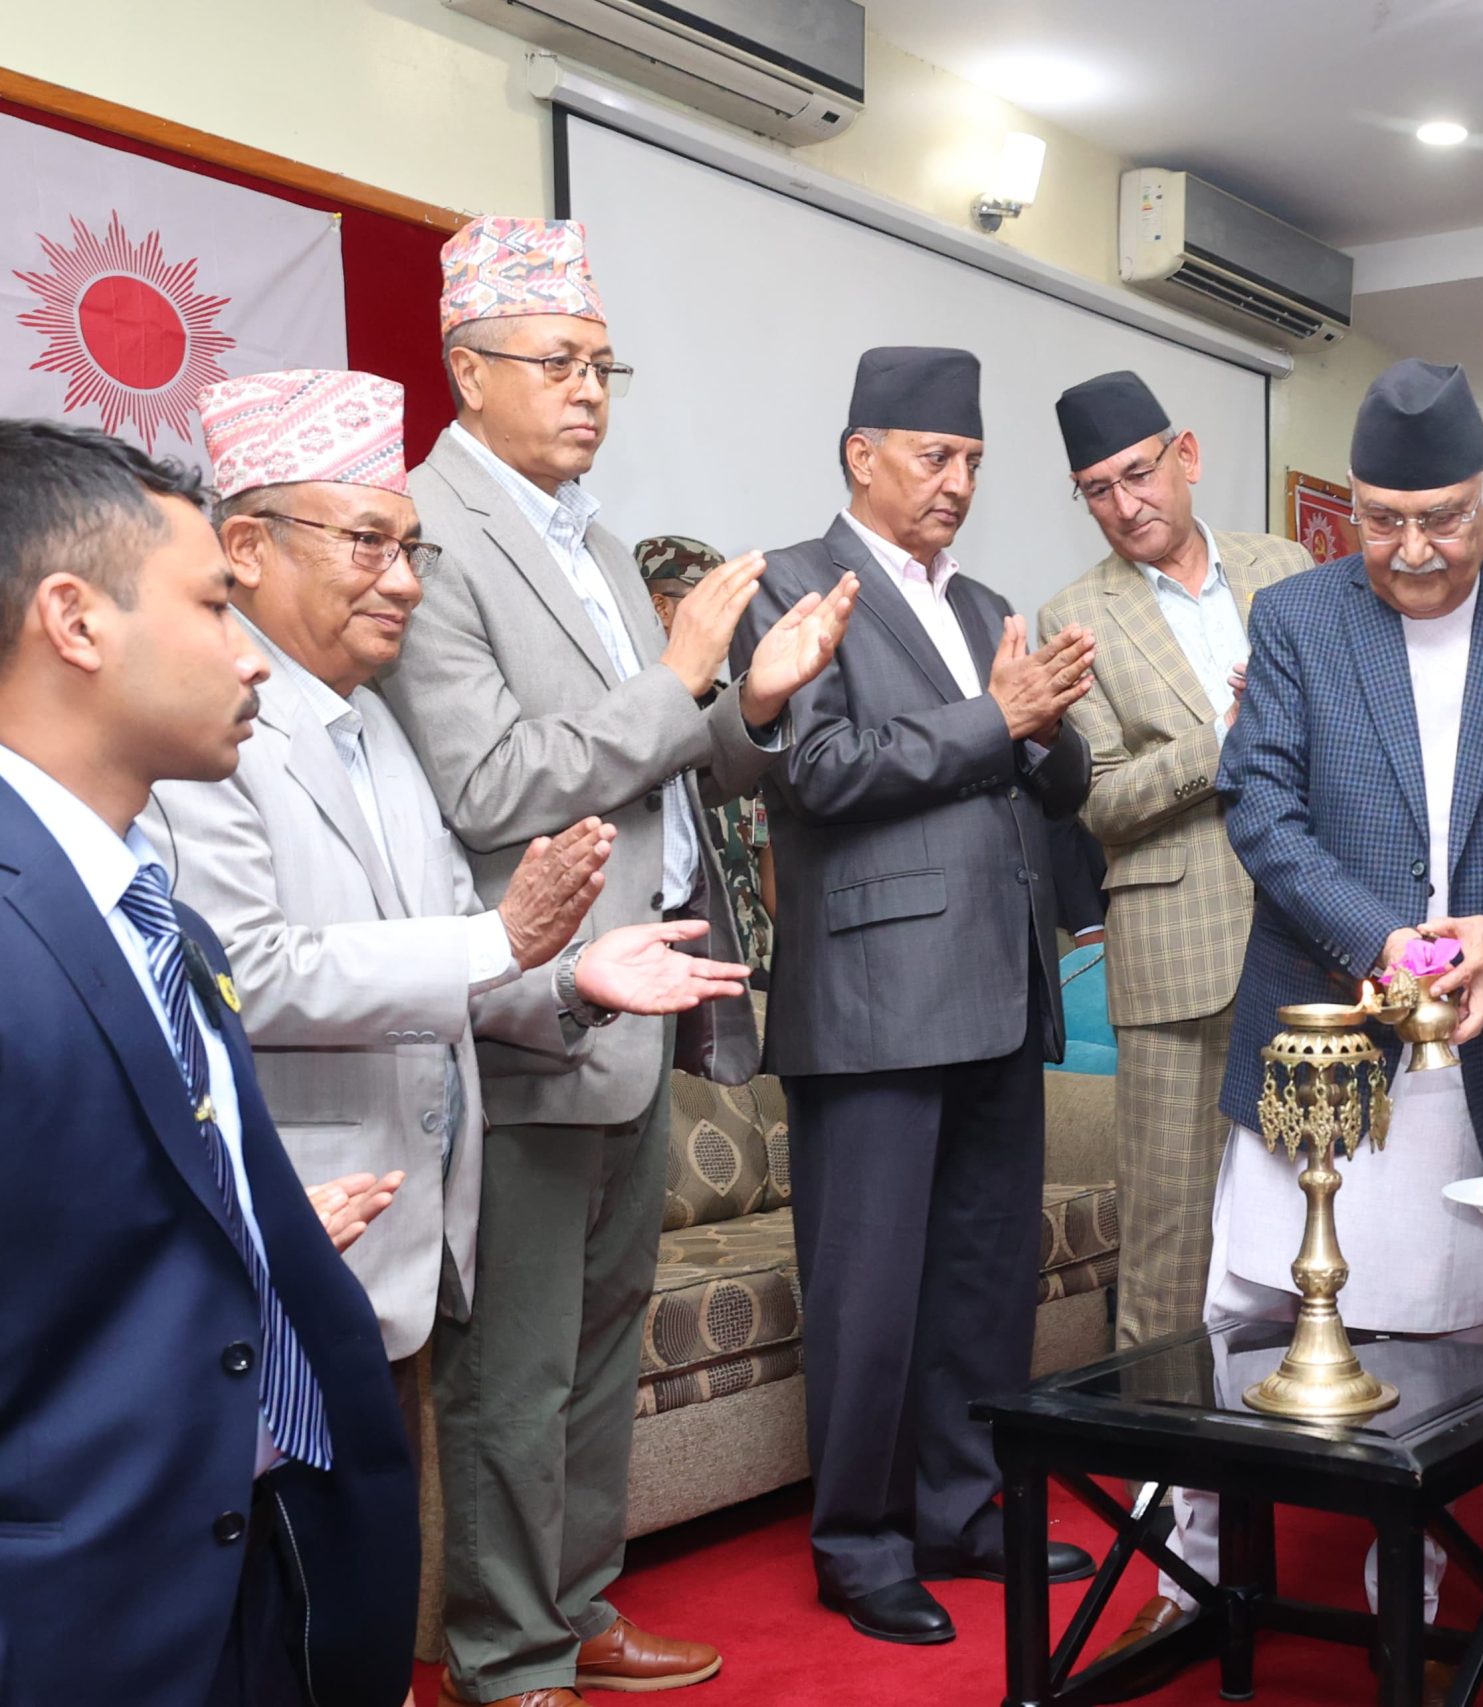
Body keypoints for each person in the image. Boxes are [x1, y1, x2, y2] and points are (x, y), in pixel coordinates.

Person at [378, 216, 856, 1706]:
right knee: (513, 1368)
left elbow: (651, 750)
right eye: (559, 362)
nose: (589, 390)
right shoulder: (428, 534)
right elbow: (491, 784)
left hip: (640, 1008)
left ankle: (578, 1607)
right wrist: (682, 677)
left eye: (604, 365)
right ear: (467, 368)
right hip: (530, 1006)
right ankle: (506, 1653)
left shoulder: (583, 530)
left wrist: (748, 706)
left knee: (596, 1348)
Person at [1146, 359, 1483, 1680]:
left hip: (1478, 1043)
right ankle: (1191, 1565)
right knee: (1251, 1305)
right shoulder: (1300, 618)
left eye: (1442, 519)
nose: (1412, 549)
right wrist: (1380, 937)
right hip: (1319, 1031)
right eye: (1380, 520)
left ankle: (1403, 1591)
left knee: (1443, 1325)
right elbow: (1260, 808)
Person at [148, 370, 752, 1401]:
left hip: (407, 1230)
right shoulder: (199, 729)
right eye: (365, 544)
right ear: (246, 548)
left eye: (410, 549)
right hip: (292, 1225)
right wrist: (503, 940)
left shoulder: (377, 724)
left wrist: (570, 982)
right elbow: (244, 972)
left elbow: (457, 947)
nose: (405, 584)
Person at [0, 420, 415, 1706]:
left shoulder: (155, 912)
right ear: (75, 621)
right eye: (212, 606)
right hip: (79, 1618)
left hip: (243, 1566)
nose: (248, 657)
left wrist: (241, 1235)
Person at [732, 345, 1098, 1647]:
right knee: (872, 1293)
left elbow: (1059, 782)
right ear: (862, 454)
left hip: (1000, 986)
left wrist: (1047, 728)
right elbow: (817, 769)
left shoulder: (988, 600)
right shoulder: (788, 585)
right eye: (936, 456)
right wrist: (999, 719)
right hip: (874, 999)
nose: (958, 482)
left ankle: (965, 1508)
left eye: (975, 462)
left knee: (984, 1281)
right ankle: (860, 1541)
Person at [1036, 369, 1315, 1359]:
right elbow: (1100, 800)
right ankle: (1161, 1451)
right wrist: (1226, 738)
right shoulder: (1073, 618)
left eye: (1138, 473)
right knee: (1169, 1242)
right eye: (1096, 489)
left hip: (1312, 939)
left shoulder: (1286, 568)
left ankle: (1295, 1423)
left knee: (1314, 1219)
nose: (1124, 504)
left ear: (1185, 456)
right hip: (1173, 957)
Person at [638, 533, 778, 983]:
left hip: (750, 971)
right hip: (654, 974)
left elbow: (768, 854)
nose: (728, 624)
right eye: (712, 605)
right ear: (660, 608)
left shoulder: (739, 712)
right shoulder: (625, 718)